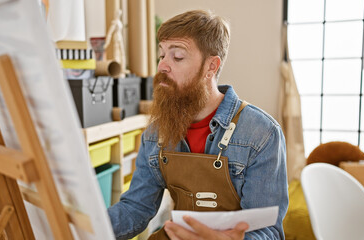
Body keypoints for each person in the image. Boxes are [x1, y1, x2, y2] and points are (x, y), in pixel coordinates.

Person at [108, 9, 288, 240]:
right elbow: (135, 209)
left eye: (178, 57)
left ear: (211, 67)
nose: (162, 66)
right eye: (161, 55)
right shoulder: (156, 132)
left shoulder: (261, 134)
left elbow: (268, 231)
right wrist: (83, 230)